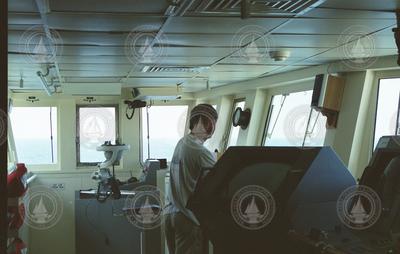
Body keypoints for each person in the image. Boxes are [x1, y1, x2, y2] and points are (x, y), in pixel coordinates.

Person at [164, 104, 218, 254]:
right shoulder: (201, 151)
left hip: (170, 214)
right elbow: (221, 179)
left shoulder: (181, 143)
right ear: (210, 125)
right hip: (187, 218)